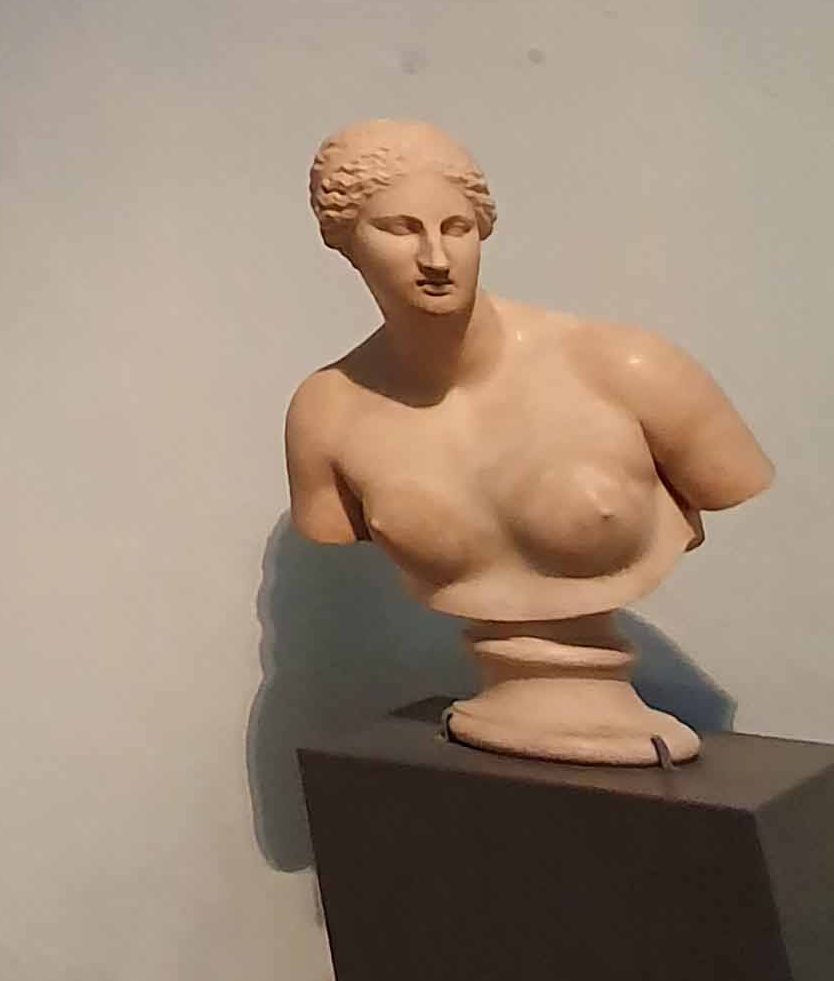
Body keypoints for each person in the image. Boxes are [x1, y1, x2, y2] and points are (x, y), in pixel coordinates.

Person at [283, 115, 770, 764]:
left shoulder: (627, 370)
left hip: (633, 736)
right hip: (486, 730)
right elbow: (328, 525)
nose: (436, 258)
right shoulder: (327, 413)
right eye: (400, 229)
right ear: (344, 241)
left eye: (456, 228)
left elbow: (728, 478)